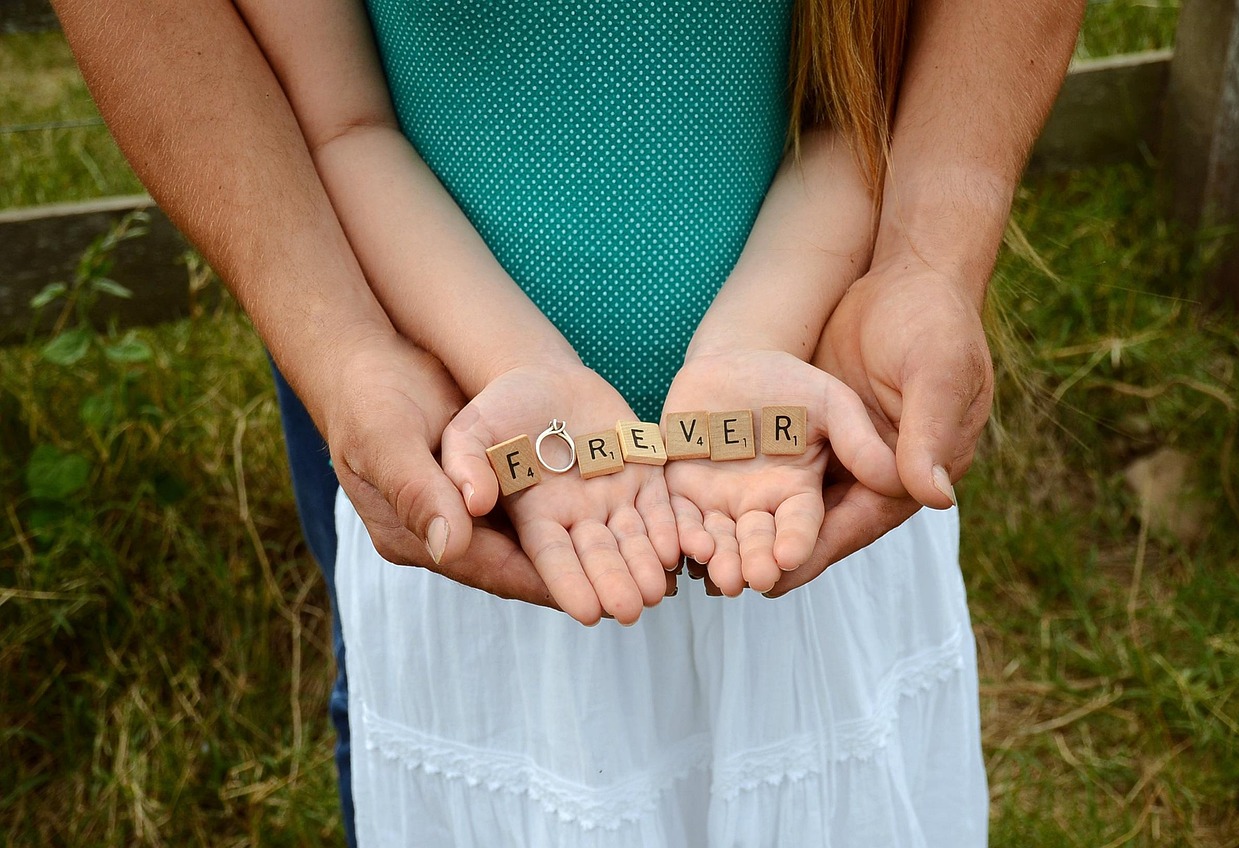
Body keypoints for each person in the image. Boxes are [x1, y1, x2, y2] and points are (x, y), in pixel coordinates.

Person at [52, 0, 1083, 843]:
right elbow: (341, 124)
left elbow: (846, 111)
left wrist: (787, 329)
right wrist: (496, 364)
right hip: (477, 471)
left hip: (810, 463)